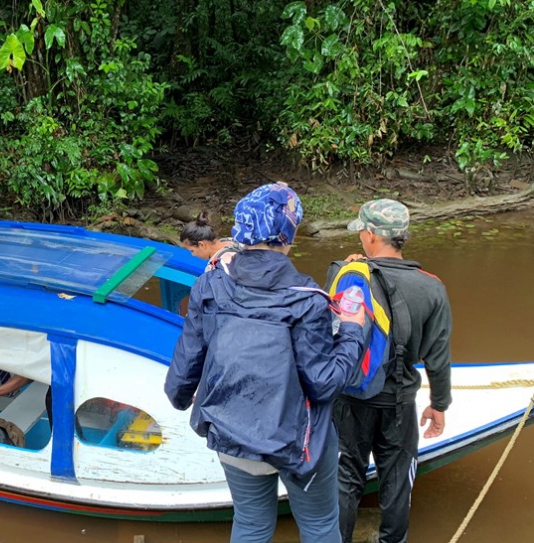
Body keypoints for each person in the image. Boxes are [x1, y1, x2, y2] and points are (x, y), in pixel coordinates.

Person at [165, 182, 366, 543]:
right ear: (288, 237)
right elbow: (323, 383)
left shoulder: (210, 285)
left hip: (229, 429)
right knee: (320, 526)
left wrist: (181, 399)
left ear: (239, 230)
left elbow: (182, 375)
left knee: (252, 524)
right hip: (298, 441)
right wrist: (352, 330)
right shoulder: (307, 299)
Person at [332, 199, 452, 543]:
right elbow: (438, 357)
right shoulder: (432, 288)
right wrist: (439, 404)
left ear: (370, 235)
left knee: (346, 477)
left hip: (351, 399)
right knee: (398, 480)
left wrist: (352, 266)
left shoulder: (346, 274)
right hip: (399, 401)